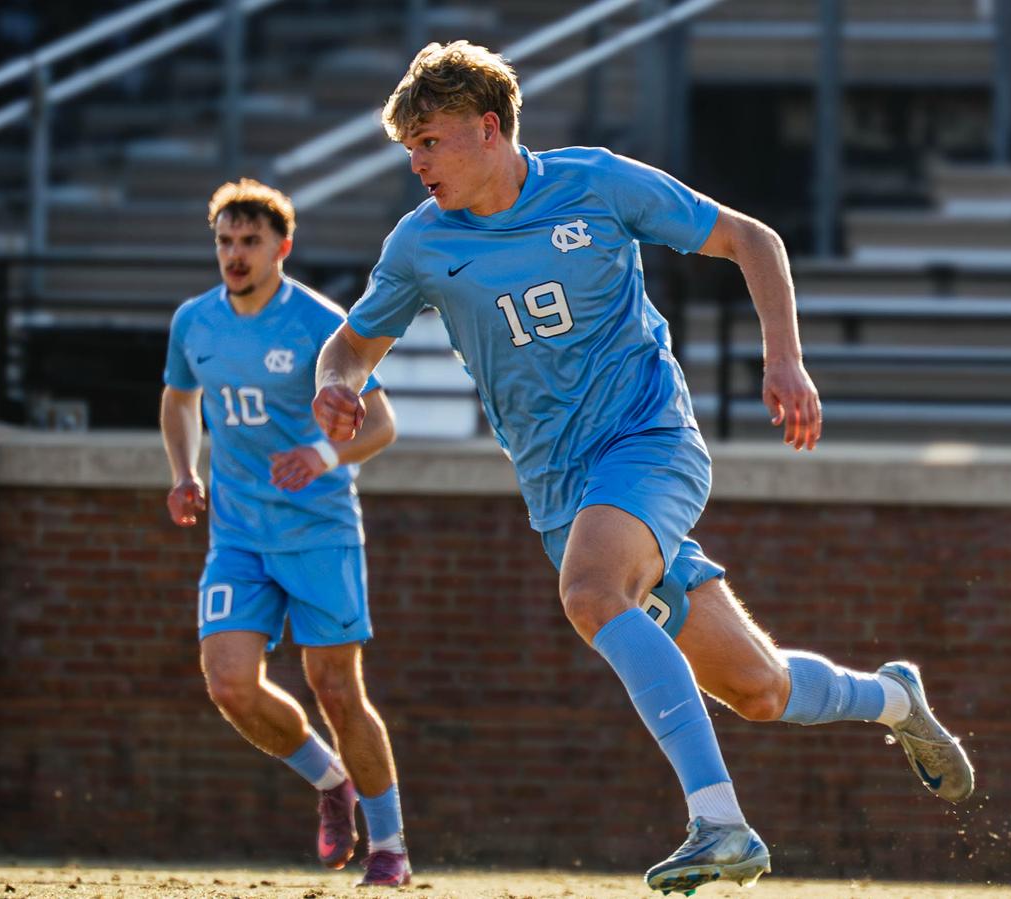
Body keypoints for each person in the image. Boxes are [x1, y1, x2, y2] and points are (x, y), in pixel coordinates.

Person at [311, 41, 975, 894]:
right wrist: (337, 386)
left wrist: (785, 361)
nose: (416, 163)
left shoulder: (596, 182)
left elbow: (753, 240)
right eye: (408, 147)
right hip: (562, 491)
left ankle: (720, 823)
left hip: (647, 443)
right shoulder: (419, 246)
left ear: (489, 128)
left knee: (592, 595)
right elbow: (351, 345)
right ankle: (894, 699)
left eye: (429, 141)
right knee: (760, 688)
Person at [162, 179, 410, 887]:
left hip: (320, 531)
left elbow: (384, 424)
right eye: (225, 241)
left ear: (282, 247)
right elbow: (179, 400)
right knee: (230, 682)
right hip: (238, 536)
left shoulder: (319, 324)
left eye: (250, 242)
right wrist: (184, 470)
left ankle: (390, 846)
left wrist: (321, 454)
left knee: (335, 687)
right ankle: (332, 781)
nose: (235, 255)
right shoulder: (194, 322)